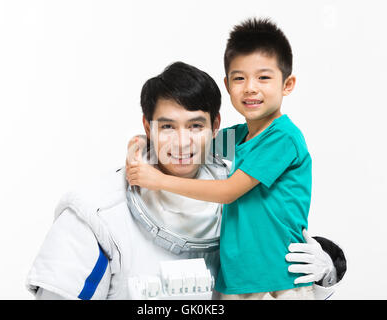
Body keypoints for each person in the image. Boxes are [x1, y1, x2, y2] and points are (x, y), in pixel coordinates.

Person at [26, 61, 346, 300]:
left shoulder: (244, 187)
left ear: (215, 125)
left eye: (195, 126)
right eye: (167, 127)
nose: (182, 144)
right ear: (147, 125)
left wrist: (323, 274)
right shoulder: (97, 215)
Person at [127, 18, 330, 299]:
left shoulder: (283, 138)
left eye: (263, 77)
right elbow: (194, 144)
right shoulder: (240, 136)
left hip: (279, 277)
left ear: (288, 84)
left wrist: (158, 180)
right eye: (239, 78)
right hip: (238, 275)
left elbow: (227, 192)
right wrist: (141, 142)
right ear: (227, 84)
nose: (250, 88)